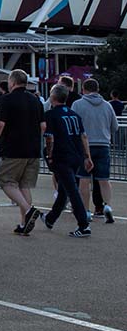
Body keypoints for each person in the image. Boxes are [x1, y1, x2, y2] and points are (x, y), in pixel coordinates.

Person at [0, 69, 45, 235]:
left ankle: (28, 210)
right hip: (33, 149)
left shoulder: (6, 100)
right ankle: (24, 222)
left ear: (12, 82)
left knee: (6, 181)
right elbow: (43, 127)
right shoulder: (36, 101)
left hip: (13, 148)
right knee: (24, 185)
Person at [42, 85, 94, 237]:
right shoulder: (74, 115)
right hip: (75, 155)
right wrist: (86, 156)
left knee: (71, 190)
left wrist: (50, 156)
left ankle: (83, 225)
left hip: (62, 156)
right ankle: (51, 218)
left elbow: (50, 137)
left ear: (53, 97)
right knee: (64, 189)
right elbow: (83, 136)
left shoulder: (50, 115)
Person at [71, 78, 116, 224]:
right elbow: (114, 126)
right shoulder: (107, 106)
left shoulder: (77, 105)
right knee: (104, 179)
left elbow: (72, 125)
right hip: (103, 144)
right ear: (98, 89)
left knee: (84, 180)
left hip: (85, 145)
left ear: (83, 89)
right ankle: (107, 206)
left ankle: (86, 210)